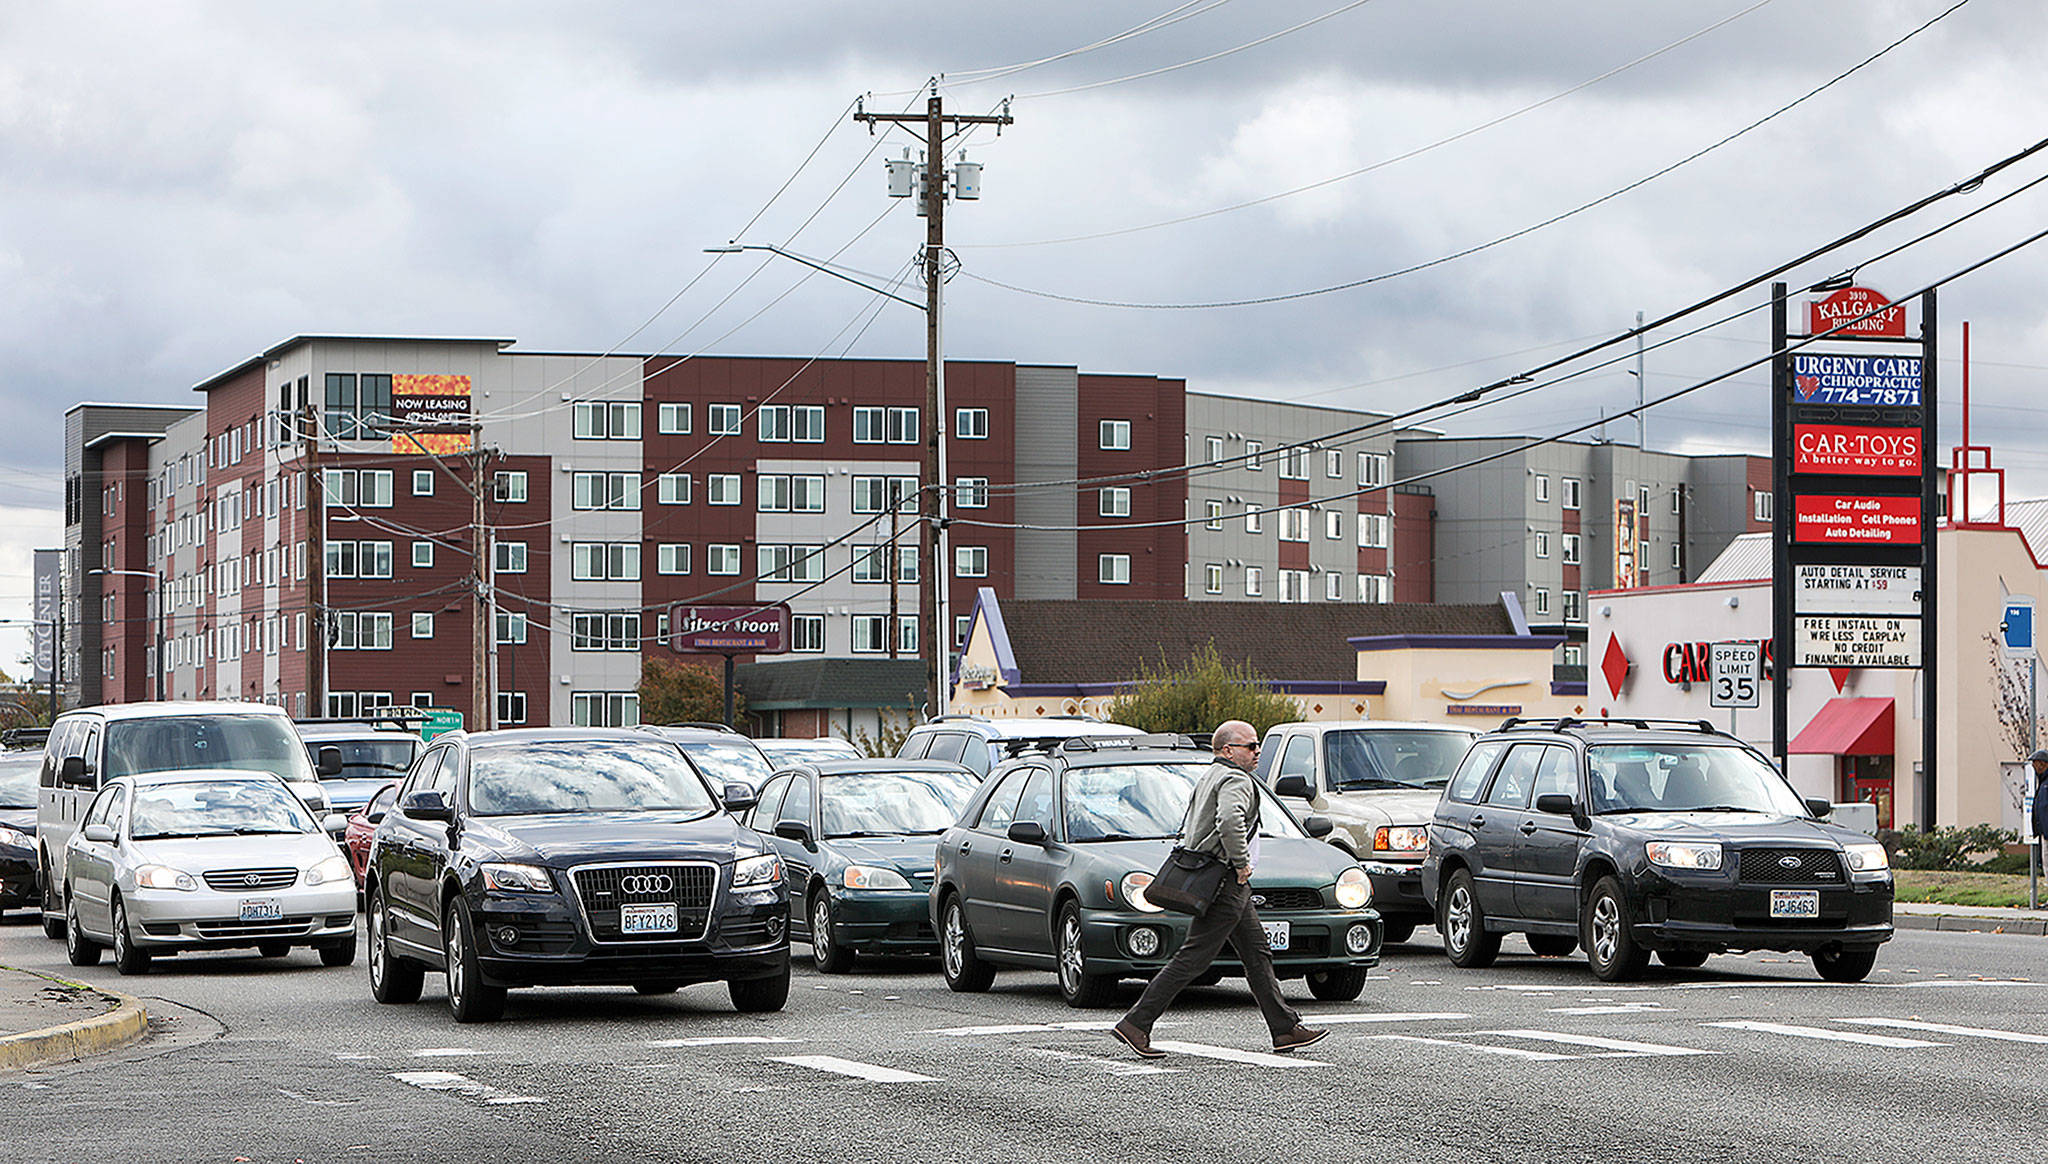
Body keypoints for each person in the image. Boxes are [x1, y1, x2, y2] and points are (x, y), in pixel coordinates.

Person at [1112, 720, 1328, 1059]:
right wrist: (1241, 862)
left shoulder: (1211, 774)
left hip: (1220, 879)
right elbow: (1229, 821)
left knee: (1257, 954)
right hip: (1225, 880)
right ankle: (1136, 1022)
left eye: (1258, 746)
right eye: (1250, 746)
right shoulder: (1234, 778)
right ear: (1228, 750)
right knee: (1194, 957)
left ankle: (1284, 1028)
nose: (1258, 751)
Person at [2030, 750, 2048, 844]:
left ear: (2043, 763)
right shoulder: (2043, 782)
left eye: (2035, 763)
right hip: (2044, 833)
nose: (2033, 766)